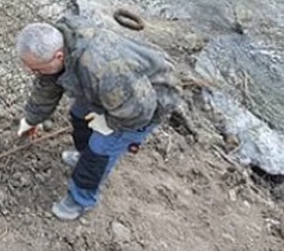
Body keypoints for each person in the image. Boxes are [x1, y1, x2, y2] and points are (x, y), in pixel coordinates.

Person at [15, 16, 180, 221]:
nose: (33, 73)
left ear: (58, 56)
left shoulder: (104, 68)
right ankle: (83, 155)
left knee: (99, 150)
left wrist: (109, 123)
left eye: (36, 69)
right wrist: (32, 118)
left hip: (144, 104)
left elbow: (139, 110)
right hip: (114, 93)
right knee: (79, 115)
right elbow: (48, 84)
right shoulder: (63, 43)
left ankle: (80, 200)